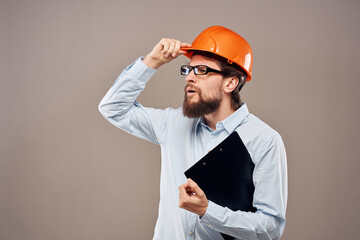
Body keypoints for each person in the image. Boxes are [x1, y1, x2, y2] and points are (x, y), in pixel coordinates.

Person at [98, 26, 287, 240]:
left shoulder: (264, 140)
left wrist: (208, 212)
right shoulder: (173, 123)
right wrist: (152, 62)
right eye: (188, 69)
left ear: (230, 83)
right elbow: (112, 108)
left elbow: (270, 228)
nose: (189, 77)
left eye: (202, 70)